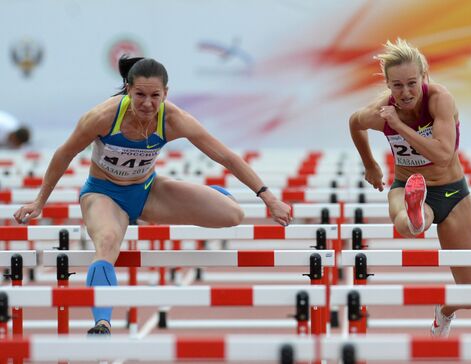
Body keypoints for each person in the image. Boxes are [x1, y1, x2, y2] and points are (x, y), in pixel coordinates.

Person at [13, 56, 292, 335]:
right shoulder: (102, 117)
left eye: (155, 96)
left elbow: (228, 158)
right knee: (108, 242)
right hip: (103, 194)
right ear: (128, 90)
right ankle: (102, 323)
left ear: (166, 94)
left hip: (147, 191)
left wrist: (268, 198)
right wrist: (40, 201)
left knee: (233, 215)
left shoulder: (174, 119)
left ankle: (214, 196)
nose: (147, 103)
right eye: (140, 95)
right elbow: (64, 154)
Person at [349, 39, 471, 337]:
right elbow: (354, 122)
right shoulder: (380, 110)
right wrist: (370, 164)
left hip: (451, 191)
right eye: (396, 86)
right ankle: (415, 211)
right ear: (387, 84)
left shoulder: (440, 100)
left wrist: (398, 126)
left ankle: (445, 310)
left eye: (412, 83)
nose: (405, 92)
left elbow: (442, 154)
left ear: (424, 77)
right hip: (407, 184)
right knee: (412, 224)